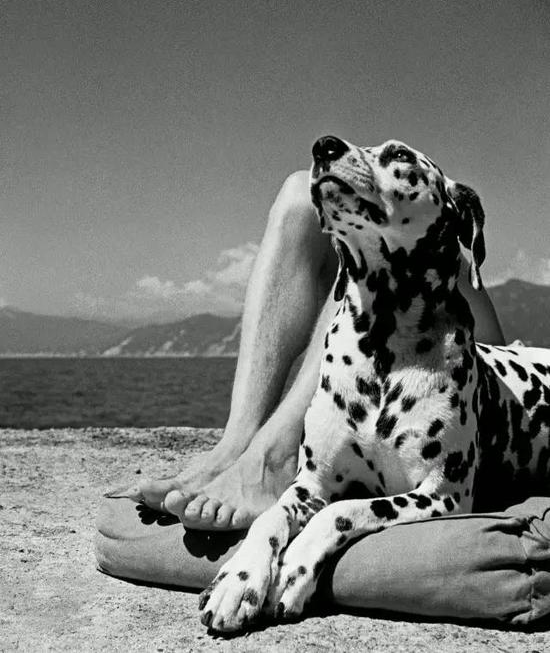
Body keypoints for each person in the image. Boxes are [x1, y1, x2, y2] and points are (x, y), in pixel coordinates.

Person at [136, 170, 505, 530]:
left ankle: (276, 457)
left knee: (374, 239)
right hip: (401, 352)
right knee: (300, 194)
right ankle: (237, 443)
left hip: (476, 373)